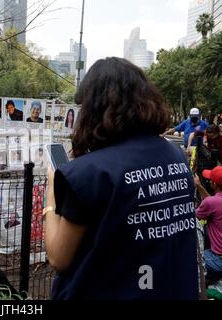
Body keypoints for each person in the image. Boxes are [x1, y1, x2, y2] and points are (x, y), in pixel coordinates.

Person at [44, 57, 198, 300]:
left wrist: (51, 195)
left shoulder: (89, 173)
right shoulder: (176, 157)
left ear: (94, 108)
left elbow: (58, 258)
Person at [194, 167, 222, 282]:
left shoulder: (211, 203)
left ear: (214, 184)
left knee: (188, 256)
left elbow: (192, 216)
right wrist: (199, 186)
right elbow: (213, 203)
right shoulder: (215, 201)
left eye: (210, 179)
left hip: (218, 260)